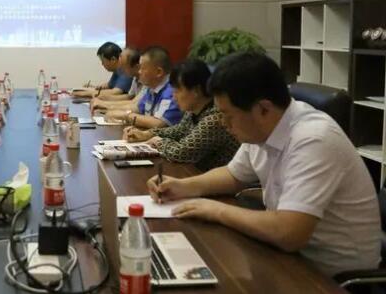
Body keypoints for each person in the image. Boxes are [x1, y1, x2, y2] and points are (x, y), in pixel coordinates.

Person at [147, 52, 381, 276]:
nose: (223, 124)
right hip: (290, 258)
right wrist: (183, 186)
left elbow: (289, 232)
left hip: (331, 277)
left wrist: (215, 210)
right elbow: (233, 175)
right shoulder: (261, 130)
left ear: (263, 109)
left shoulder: (314, 139)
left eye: (228, 115)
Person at [123, 59, 239, 171]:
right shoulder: (193, 110)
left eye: (177, 91)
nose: (174, 97)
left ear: (196, 90)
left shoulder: (214, 119)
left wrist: (158, 141)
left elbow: (181, 152)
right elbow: (179, 130)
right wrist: (148, 134)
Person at [105, 46, 182, 129]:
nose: (139, 71)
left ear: (158, 72)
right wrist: (112, 110)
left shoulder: (172, 91)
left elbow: (158, 123)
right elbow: (137, 108)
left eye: (142, 68)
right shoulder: (152, 88)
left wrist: (125, 115)